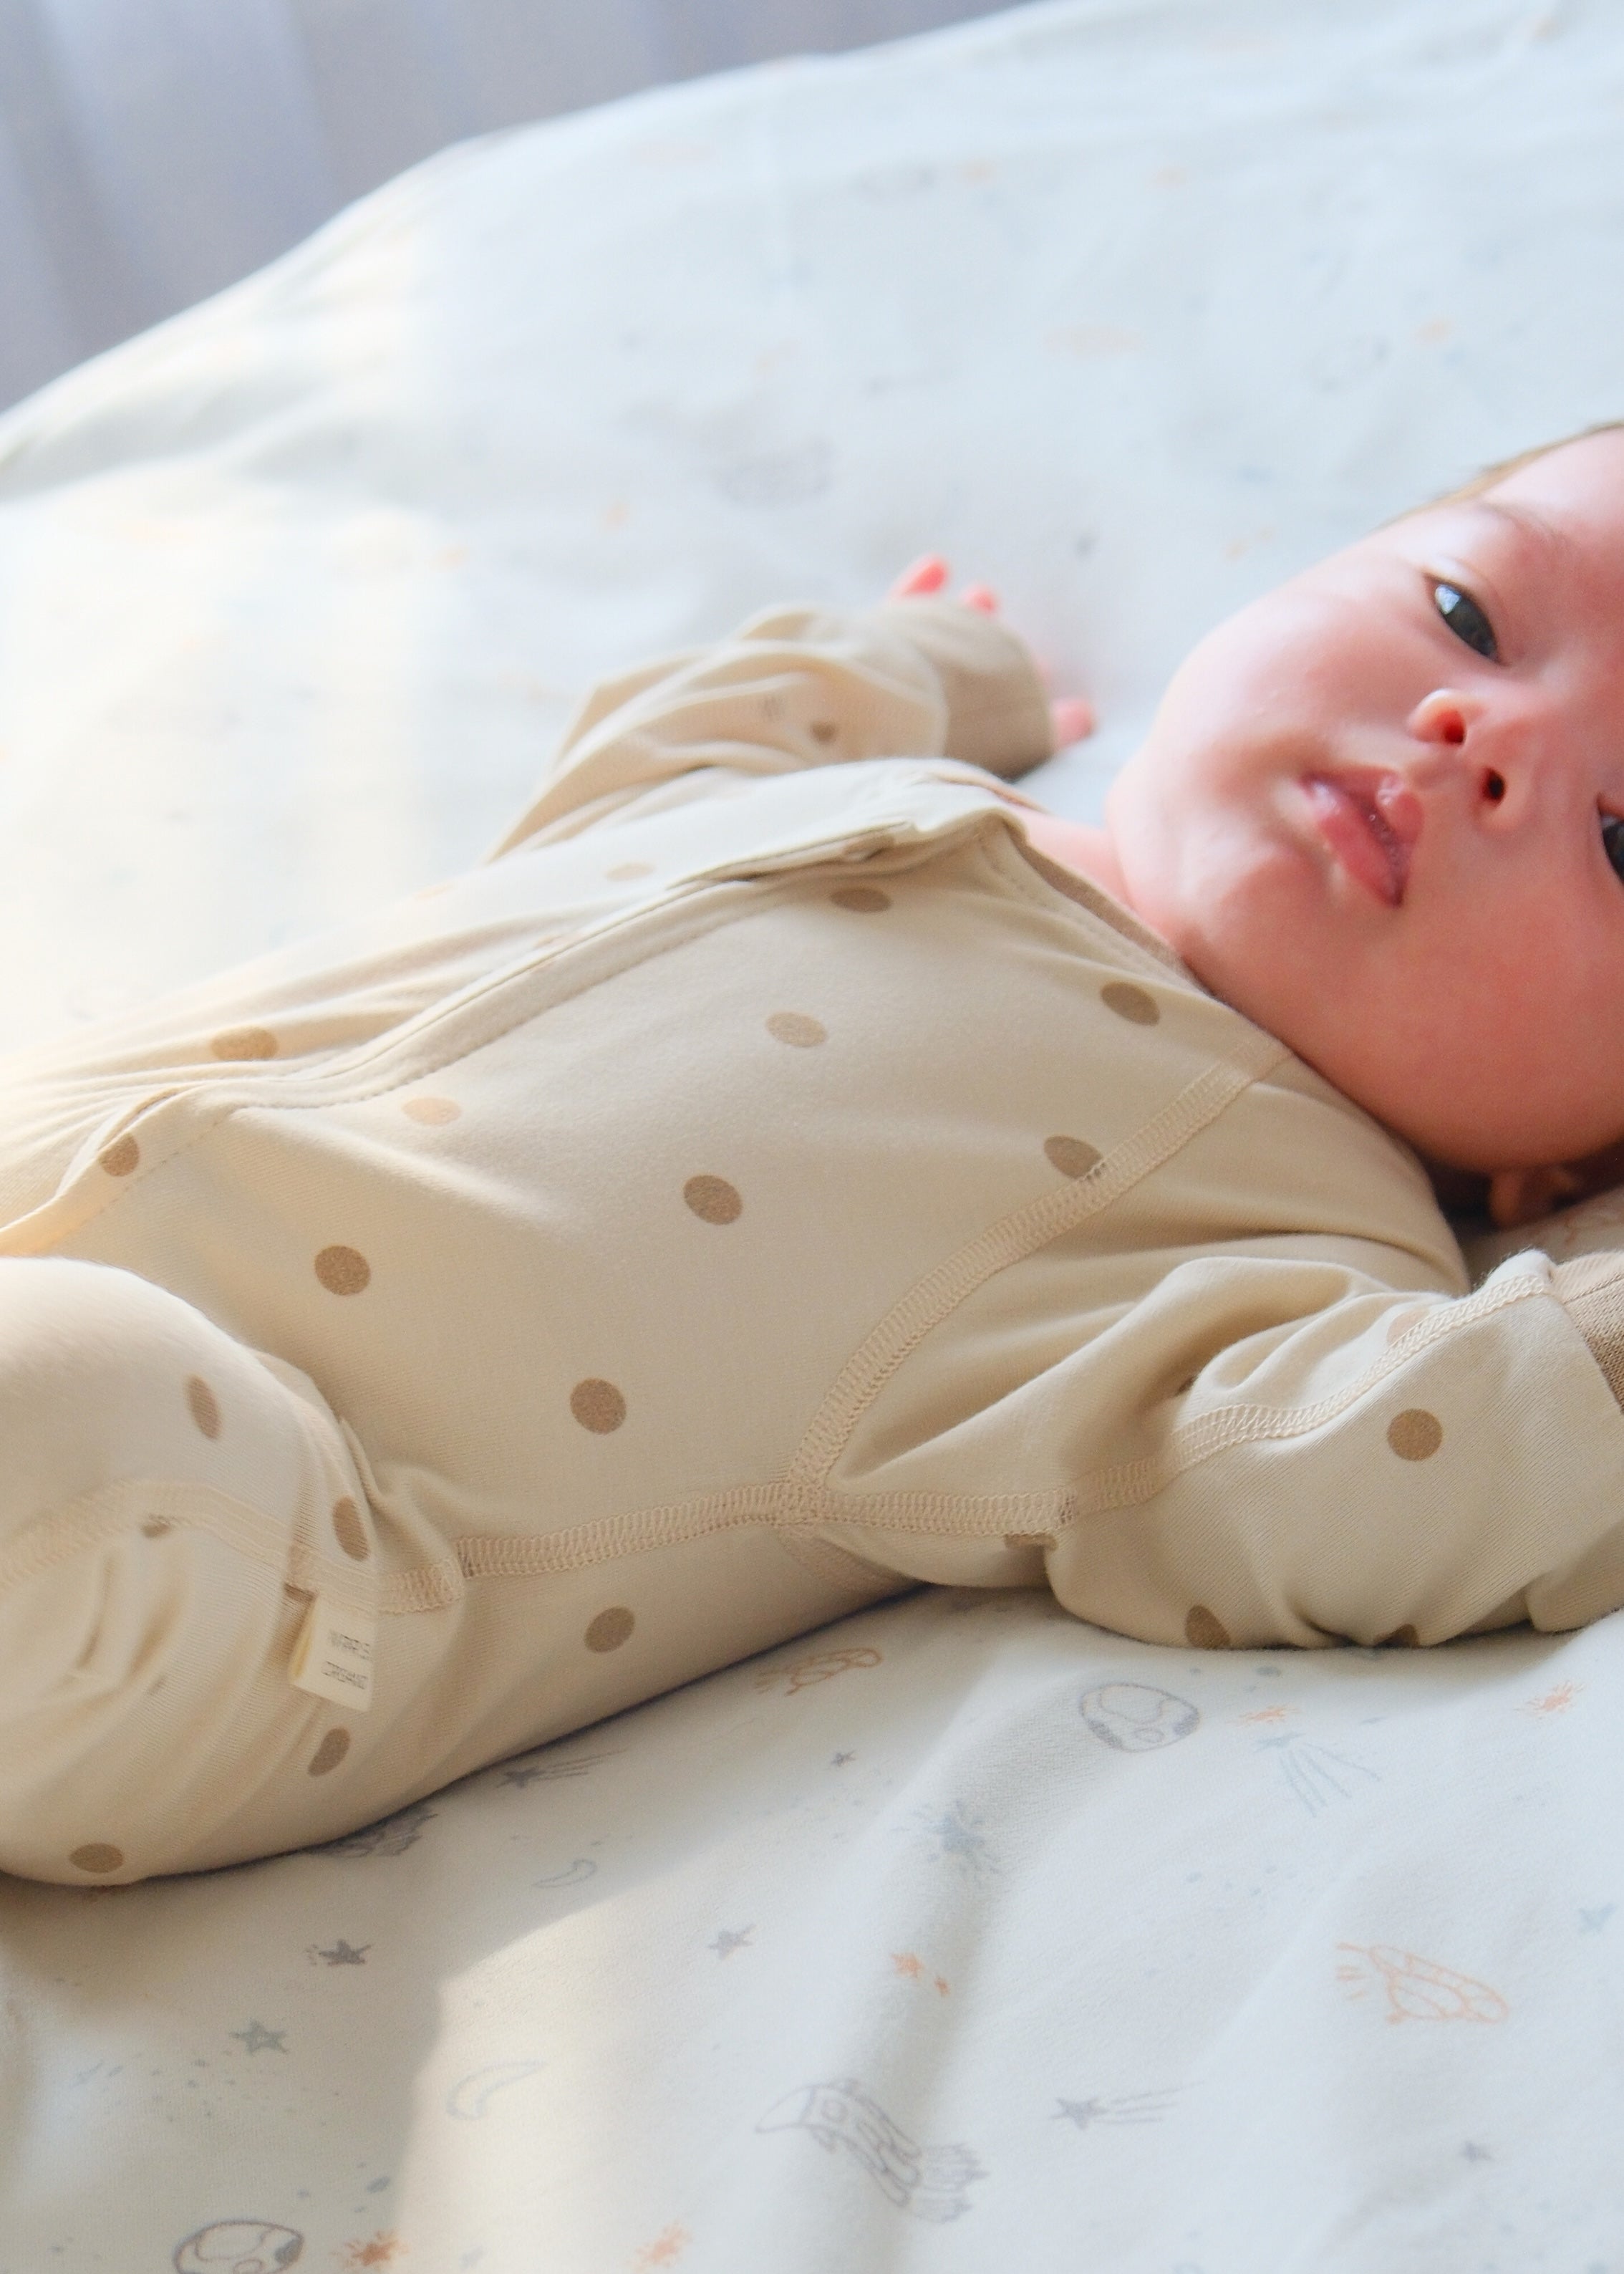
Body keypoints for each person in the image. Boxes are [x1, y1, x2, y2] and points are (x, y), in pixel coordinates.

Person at [3, 423, 1623, 1885]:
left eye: (1620, 835)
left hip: (257, 1539)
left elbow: (1418, 1465)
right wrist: (917, 666)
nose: (1478, 729)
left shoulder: (1274, 1232)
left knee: (55, 1418)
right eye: (1469, 614)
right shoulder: (886, 792)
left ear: (1579, 1158)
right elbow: (659, 757)